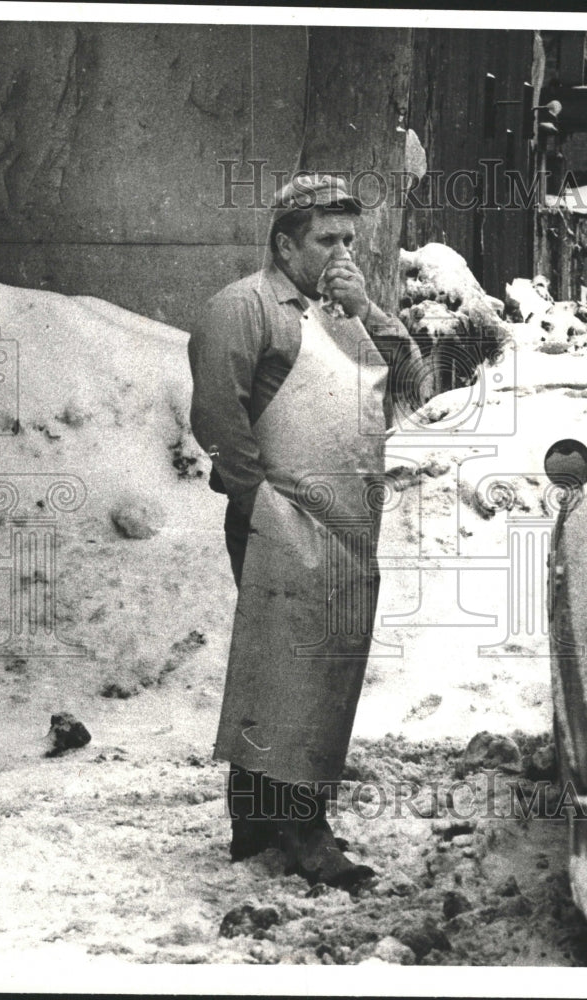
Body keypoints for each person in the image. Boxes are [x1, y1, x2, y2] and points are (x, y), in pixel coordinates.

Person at [188, 174, 431, 889]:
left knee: (318, 671)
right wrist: (258, 505)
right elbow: (219, 423)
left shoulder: (342, 311)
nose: (341, 252)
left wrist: (368, 310)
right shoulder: (245, 307)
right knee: (288, 667)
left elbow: (412, 381)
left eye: (350, 239)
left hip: (347, 523)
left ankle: (257, 819)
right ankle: (300, 828)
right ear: (285, 242)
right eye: (326, 239)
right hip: (281, 517)